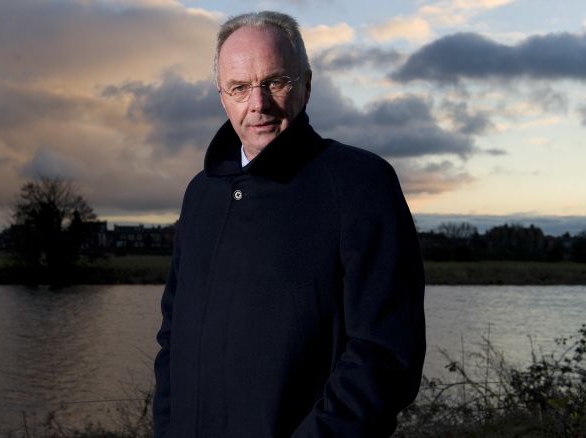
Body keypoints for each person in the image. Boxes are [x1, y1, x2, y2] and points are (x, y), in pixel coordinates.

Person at [154, 10, 425, 437]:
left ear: (307, 84)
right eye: (240, 88)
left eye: (275, 82)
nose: (257, 104)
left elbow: (385, 354)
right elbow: (172, 337)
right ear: (222, 96)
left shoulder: (359, 182)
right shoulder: (200, 193)